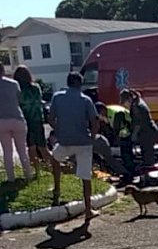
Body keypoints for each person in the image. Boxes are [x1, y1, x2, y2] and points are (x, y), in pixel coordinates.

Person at [48, 71, 99, 230]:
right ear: (80, 84)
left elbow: (50, 118)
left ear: (68, 82)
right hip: (83, 141)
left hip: (65, 141)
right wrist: (93, 136)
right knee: (85, 176)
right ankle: (88, 209)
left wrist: (59, 130)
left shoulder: (57, 97)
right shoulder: (86, 99)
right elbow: (94, 121)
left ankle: (57, 190)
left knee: (55, 158)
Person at [0, 64, 35, 184]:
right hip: (16, 118)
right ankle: (28, 174)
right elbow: (19, 99)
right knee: (22, 149)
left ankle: (11, 178)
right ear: (3, 70)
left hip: (1, 121)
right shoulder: (14, 84)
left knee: (7, 151)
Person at [13, 65, 50, 173]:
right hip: (38, 119)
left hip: (26, 120)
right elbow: (39, 101)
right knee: (43, 147)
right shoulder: (36, 88)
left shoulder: (19, 91)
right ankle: (51, 166)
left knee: (31, 147)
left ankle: (37, 171)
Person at [121, 88, 158, 172]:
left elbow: (138, 123)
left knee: (147, 154)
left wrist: (133, 135)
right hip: (147, 131)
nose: (125, 104)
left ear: (129, 99)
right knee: (147, 153)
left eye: (124, 102)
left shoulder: (136, 106)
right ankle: (148, 171)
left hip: (147, 131)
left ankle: (150, 173)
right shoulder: (137, 101)